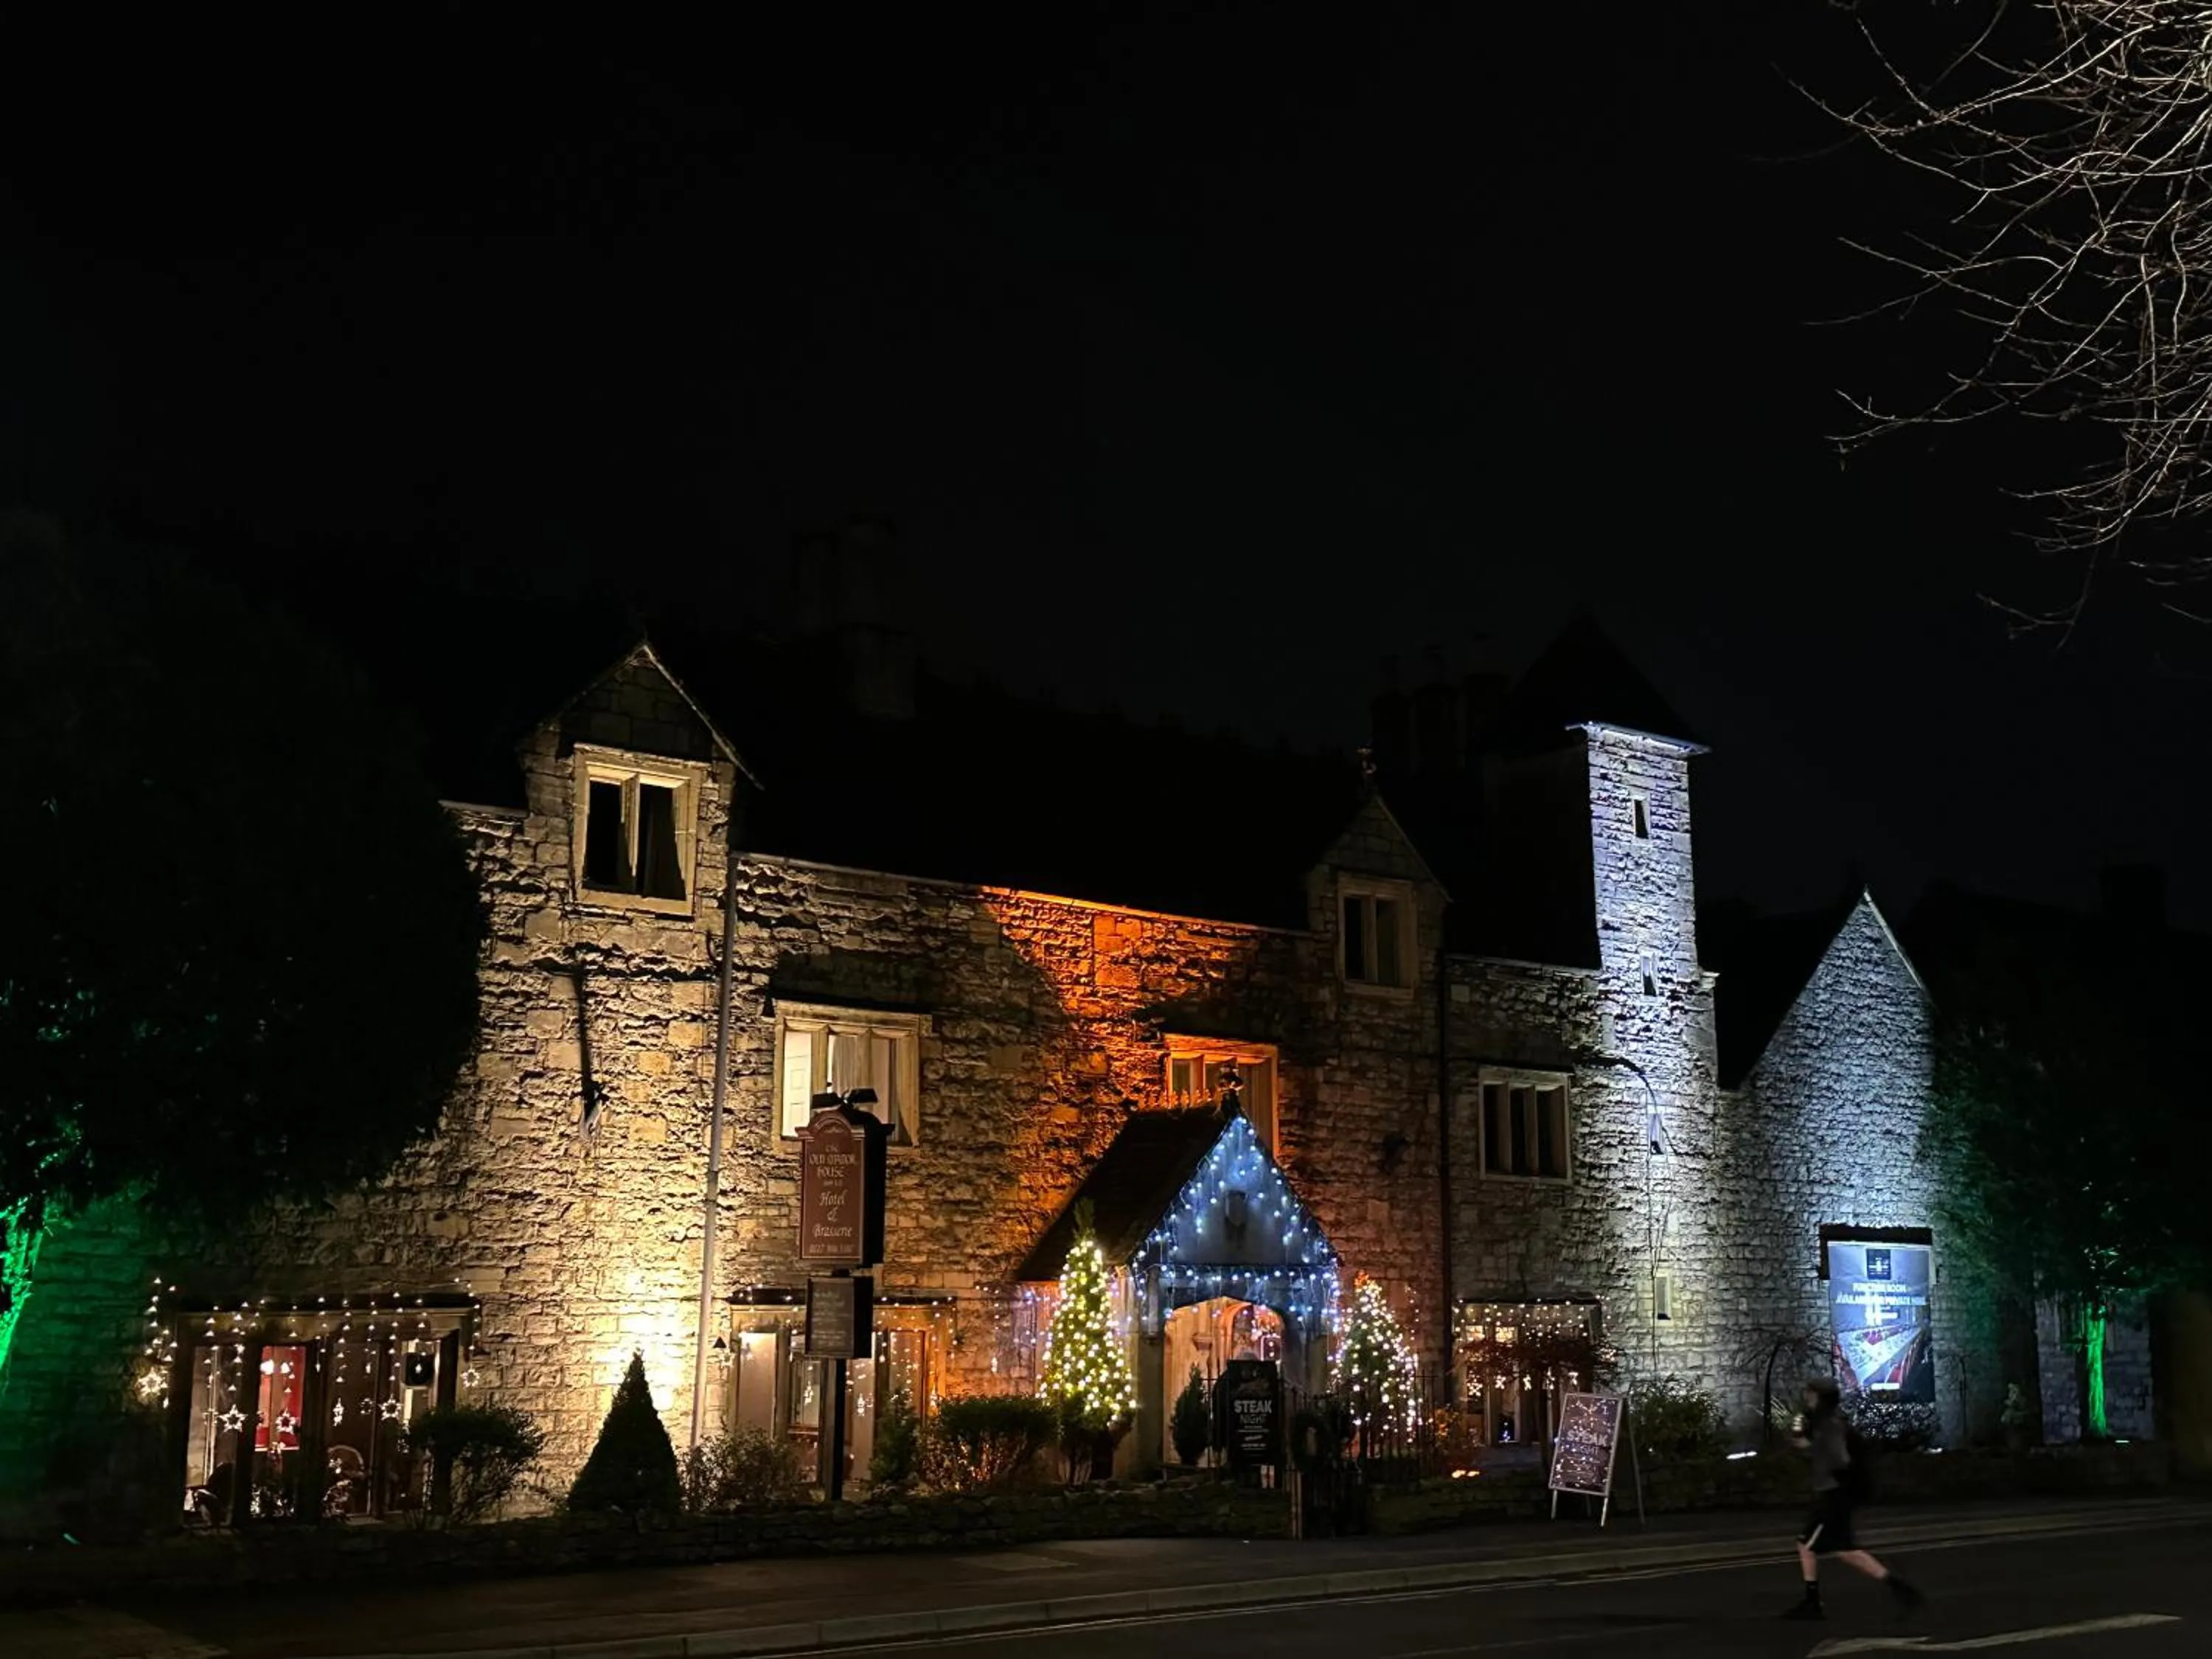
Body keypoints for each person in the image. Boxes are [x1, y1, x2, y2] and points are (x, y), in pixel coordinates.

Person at [1784, 1377, 1922, 1621]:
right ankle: (1900, 1588)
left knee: (1807, 1543)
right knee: (1845, 1550)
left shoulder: (1830, 1424)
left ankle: (1813, 1602)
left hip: (1835, 1494)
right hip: (1837, 1493)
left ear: (1821, 1398)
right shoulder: (1826, 1422)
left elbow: (1839, 1459)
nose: (1807, 1398)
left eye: (1811, 1395)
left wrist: (1808, 1447)